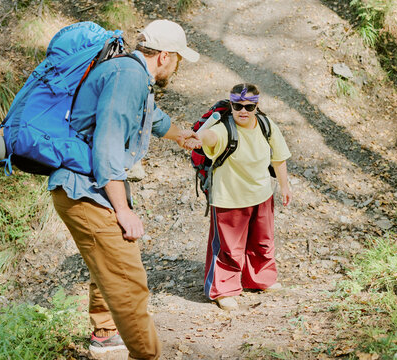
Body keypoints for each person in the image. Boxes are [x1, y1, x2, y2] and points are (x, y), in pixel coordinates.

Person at [48, 20, 200, 359]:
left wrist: (182, 135)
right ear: (164, 56)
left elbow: (152, 116)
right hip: (85, 190)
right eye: (177, 59)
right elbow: (107, 145)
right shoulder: (129, 76)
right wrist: (123, 210)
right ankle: (146, 355)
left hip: (80, 188)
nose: (176, 67)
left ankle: (105, 334)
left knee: (108, 263)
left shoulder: (128, 73)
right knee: (129, 279)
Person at [189, 83, 292, 311]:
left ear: (256, 106)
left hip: (261, 194)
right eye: (237, 106)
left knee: (263, 242)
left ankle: (261, 278)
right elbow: (210, 136)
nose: (242, 111)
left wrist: (284, 185)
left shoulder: (266, 125)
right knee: (229, 247)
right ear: (232, 105)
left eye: (248, 106)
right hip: (229, 199)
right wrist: (199, 137)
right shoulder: (225, 129)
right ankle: (224, 289)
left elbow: (279, 157)